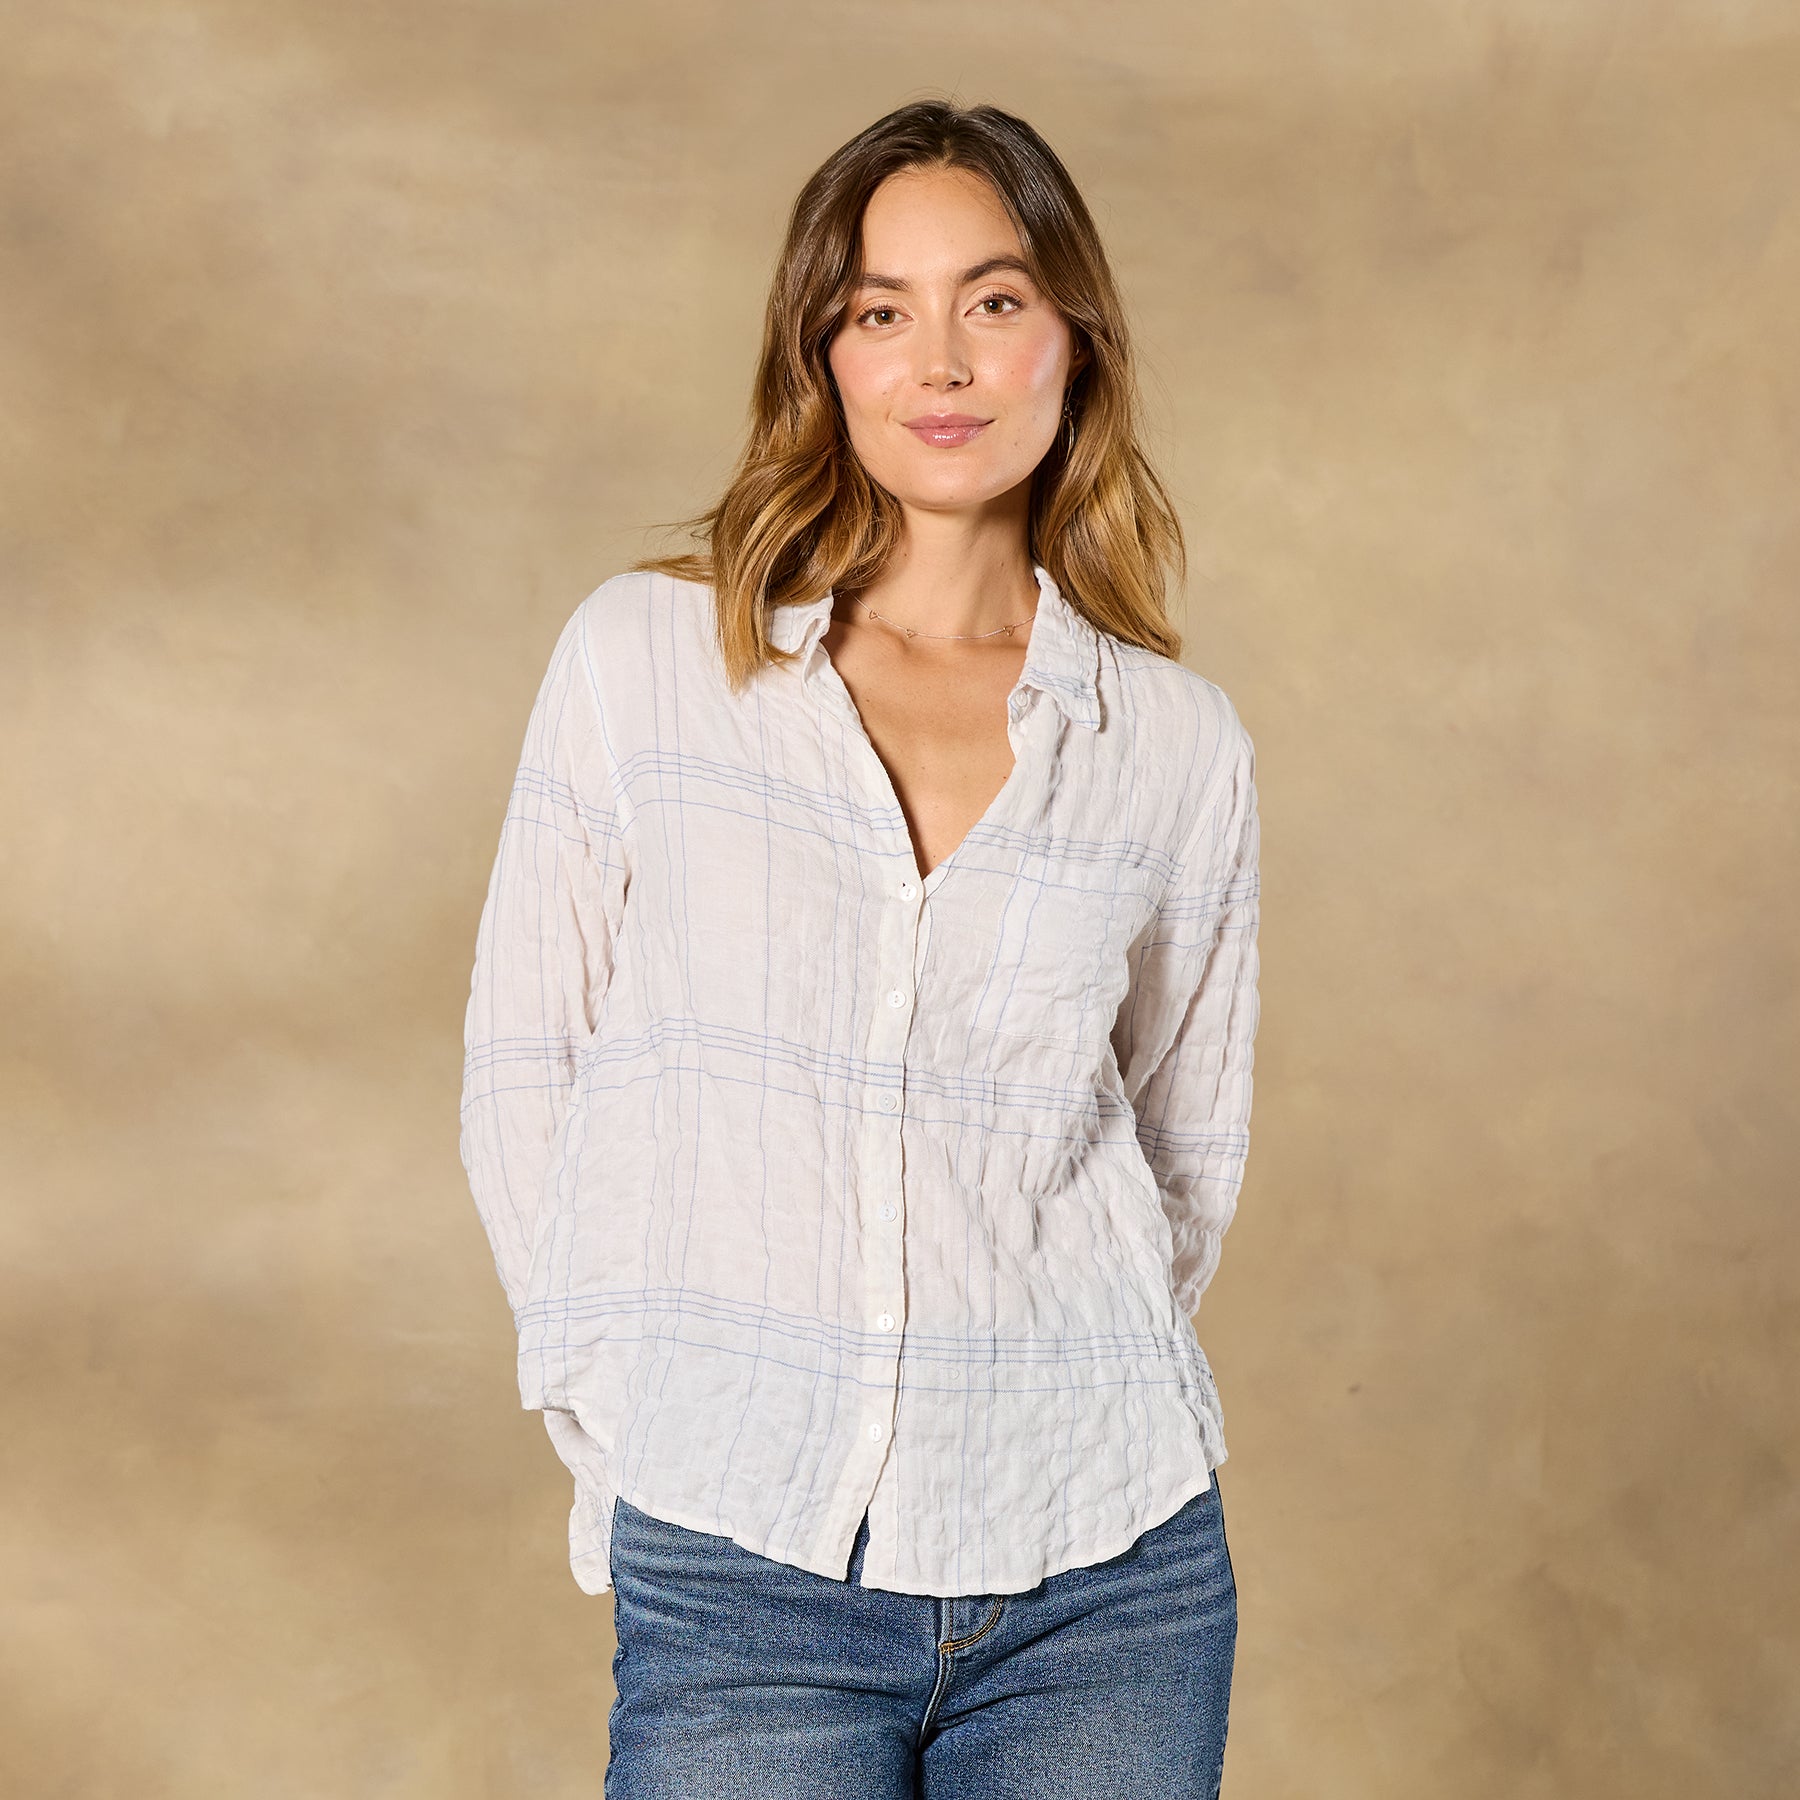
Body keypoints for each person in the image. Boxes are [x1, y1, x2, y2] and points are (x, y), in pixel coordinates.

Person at [460, 97, 1261, 1799]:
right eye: (882, 311)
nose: (942, 362)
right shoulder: (649, 666)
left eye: (995, 300)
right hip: (743, 1571)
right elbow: (527, 1071)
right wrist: (637, 1422)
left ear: (1073, 342)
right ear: (822, 357)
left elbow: (1181, 1153)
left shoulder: (1174, 745)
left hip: (1108, 1573)